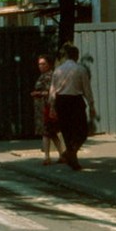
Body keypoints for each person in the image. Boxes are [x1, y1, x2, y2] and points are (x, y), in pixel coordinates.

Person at [49, 43, 96, 171]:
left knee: (67, 131)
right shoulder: (80, 69)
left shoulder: (58, 70)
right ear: (77, 56)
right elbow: (87, 89)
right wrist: (91, 105)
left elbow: (52, 90)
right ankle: (72, 154)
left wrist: (52, 107)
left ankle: (70, 154)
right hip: (75, 101)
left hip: (61, 101)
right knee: (82, 130)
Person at [31, 54, 65, 165]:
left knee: (46, 132)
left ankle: (47, 157)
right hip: (42, 108)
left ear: (49, 64)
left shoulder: (49, 76)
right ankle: (62, 155)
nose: (40, 66)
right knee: (52, 133)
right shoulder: (43, 75)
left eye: (43, 63)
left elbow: (51, 92)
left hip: (47, 107)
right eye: (39, 64)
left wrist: (38, 93)